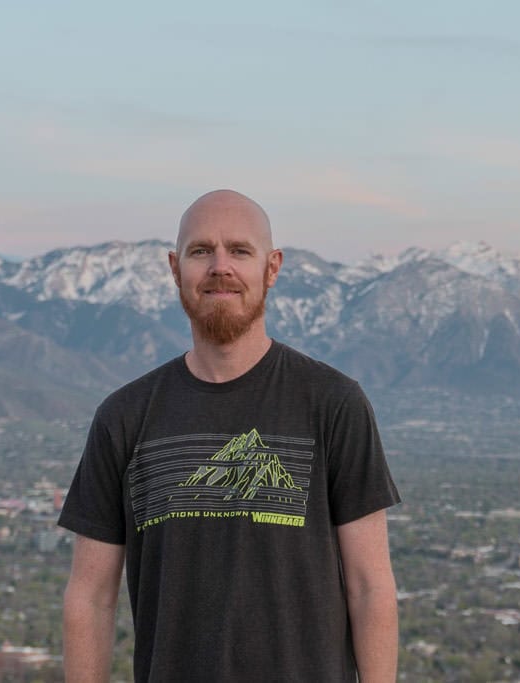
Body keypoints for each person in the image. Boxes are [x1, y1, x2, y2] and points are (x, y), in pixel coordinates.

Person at [59, 189, 401, 682]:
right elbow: (89, 598)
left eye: (239, 250)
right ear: (176, 269)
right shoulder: (125, 417)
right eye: (202, 251)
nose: (220, 266)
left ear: (272, 267)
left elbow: (370, 586)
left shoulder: (333, 404)